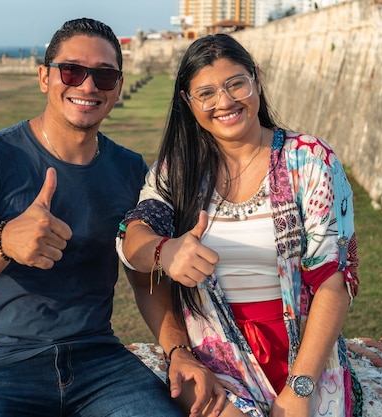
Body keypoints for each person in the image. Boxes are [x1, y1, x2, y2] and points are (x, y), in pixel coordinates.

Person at [0, 17, 184, 416]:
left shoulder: (132, 170)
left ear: (116, 87)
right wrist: (3, 241)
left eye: (103, 76)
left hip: (99, 362)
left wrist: (179, 351)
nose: (87, 85)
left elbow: (145, 281)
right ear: (45, 78)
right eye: (72, 70)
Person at [116, 33, 362, 417]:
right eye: (207, 93)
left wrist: (301, 387)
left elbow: (333, 278)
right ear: (188, 102)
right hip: (214, 364)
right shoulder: (178, 171)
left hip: (306, 358)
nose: (225, 102)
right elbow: (133, 238)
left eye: (236, 84)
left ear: (257, 80)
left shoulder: (309, 160)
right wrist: (166, 251)